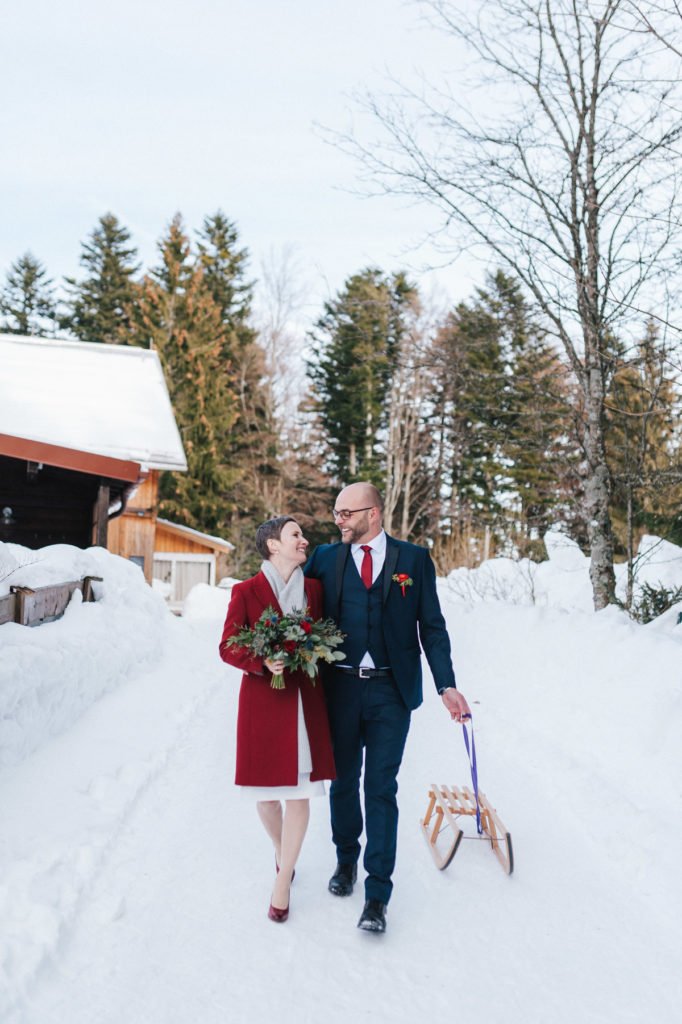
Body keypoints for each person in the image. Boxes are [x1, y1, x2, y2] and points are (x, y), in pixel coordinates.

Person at [305, 482, 470, 934]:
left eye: (346, 513)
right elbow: (291, 595)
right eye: (336, 512)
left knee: (380, 788)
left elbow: (432, 629)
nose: (338, 520)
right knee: (342, 783)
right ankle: (345, 862)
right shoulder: (324, 558)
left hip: (390, 693)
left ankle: (378, 894)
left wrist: (447, 685)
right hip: (338, 689)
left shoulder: (413, 560)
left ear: (373, 514)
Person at [219, 516, 335, 923]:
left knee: (301, 793)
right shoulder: (246, 592)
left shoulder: (314, 591)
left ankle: (283, 879)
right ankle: (280, 848)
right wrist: (261, 660)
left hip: (305, 700)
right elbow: (227, 646)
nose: (304, 540)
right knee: (266, 796)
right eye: (296, 535)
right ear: (273, 545)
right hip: (264, 701)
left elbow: (325, 633)